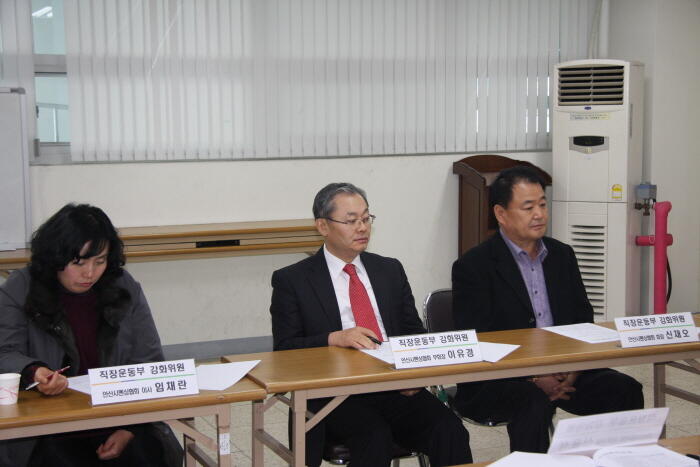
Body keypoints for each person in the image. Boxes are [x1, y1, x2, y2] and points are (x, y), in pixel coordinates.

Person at [270, 183, 472, 467]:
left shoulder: (389, 269)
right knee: (374, 438)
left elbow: (413, 332)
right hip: (336, 395)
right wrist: (334, 338)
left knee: (449, 430)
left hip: (395, 387)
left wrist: (415, 377)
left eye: (366, 218)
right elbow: (284, 350)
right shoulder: (293, 280)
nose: (362, 227)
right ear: (323, 226)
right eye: (351, 221)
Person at [451, 166, 644, 453]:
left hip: (567, 370)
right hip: (501, 378)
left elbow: (582, 319)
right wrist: (533, 377)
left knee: (624, 389)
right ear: (501, 214)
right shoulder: (473, 266)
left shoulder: (561, 255)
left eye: (542, 204)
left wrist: (572, 370)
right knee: (532, 400)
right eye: (528, 207)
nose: (539, 214)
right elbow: (479, 339)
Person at [0, 204, 181, 467]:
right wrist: (33, 371)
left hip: (117, 417)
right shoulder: (21, 288)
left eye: (100, 261)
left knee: (146, 455)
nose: (90, 273)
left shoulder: (122, 286)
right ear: (55, 257)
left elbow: (148, 361)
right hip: (48, 427)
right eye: (79, 262)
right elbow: (5, 353)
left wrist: (130, 428)